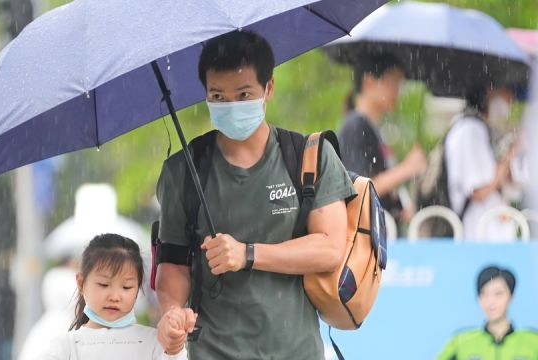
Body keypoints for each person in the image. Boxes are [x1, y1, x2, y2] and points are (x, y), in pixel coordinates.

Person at [155, 30, 355, 359]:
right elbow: (173, 264)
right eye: (217, 97)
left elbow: (330, 248)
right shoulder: (183, 173)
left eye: (244, 93)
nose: (231, 105)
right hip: (214, 351)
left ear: (269, 88)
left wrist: (248, 254)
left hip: (296, 351)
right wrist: (171, 314)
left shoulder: (310, 157)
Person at [39, 234, 188, 359]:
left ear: (137, 288)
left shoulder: (156, 343)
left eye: (126, 287)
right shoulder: (64, 348)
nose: (115, 297)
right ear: (81, 283)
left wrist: (175, 348)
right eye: (104, 285)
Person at [338, 52, 427, 224]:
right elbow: (359, 188)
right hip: (366, 238)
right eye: (392, 82)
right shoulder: (356, 127)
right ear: (369, 81)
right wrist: (407, 168)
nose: (398, 92)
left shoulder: (375, 129)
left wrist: (399, 209)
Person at [445, 86, 518, 241]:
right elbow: (479, 191)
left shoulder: (481, 128)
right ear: (489, 93)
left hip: (488, 228)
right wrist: (506, 160)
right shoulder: (470, 129)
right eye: (506, 91)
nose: (511, 98)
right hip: (479, 231)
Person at [438, 265, 538, 359]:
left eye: (498, 294)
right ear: (479, 299)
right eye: (484, 294)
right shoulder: (460, 342)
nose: (491, 301)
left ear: (511, 296)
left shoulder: (533, 341)